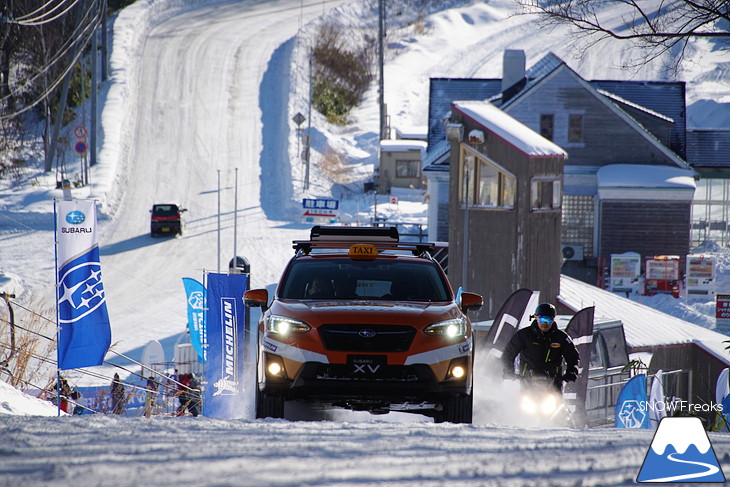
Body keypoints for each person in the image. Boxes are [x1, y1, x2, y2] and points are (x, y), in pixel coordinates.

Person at [501, 303, 580, 393]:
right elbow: (508, 353)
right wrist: (508, 371)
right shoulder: (523, 335)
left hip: (553, 385)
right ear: (536, 318)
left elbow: (573, 356)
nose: (545, 323)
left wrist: (572, 371)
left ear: (553, 320)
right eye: (542, 319)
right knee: (523, 406)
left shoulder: (561, 337)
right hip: (528, 383)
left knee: (557, 406)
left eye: (549, 320)